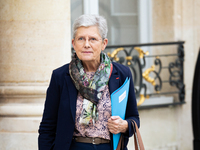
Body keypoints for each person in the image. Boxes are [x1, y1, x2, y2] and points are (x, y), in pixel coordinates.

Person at [38, 14, 140, 150]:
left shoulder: (122, 74)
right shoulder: (61, 76)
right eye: (81, 39)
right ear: (74, 43)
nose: (86, 44)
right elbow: (47, 127)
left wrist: (124, 125)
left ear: (104, 43)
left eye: (93, 39)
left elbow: (134, 118)